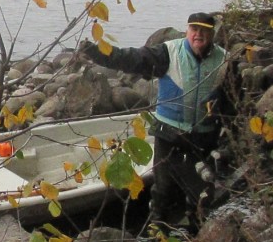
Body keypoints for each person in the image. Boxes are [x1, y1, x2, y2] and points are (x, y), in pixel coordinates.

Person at [79, 12, 229, 229]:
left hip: (204, 136)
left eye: (204, 30)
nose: (199, 34)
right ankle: (157, 233)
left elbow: (231, 102)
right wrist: (98, 53)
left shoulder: (224, 60)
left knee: (203, 191)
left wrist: (226, 141)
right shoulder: (168, 53)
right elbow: (130, 58)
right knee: (163, 189)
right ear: (187, 31)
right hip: (169, 134)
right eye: (194, 29)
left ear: (212, 34)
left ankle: (198, 234)